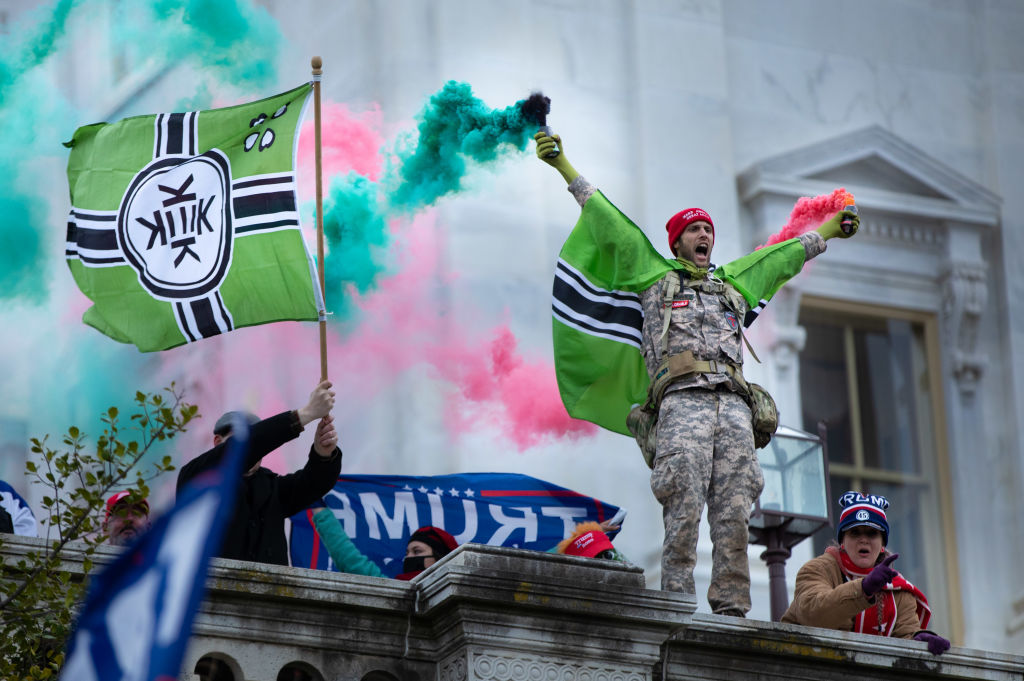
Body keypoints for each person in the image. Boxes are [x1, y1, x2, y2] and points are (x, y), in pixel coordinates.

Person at [535, 131, 859, 616]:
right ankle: (676, 605)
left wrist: (830, 231)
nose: (704, 235)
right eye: (694, 230)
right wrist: (564, 166)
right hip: (680, 400)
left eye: (708, 229)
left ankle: (731, 611)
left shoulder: (732, 284)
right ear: (677, 241)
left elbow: (782, 258)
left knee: (736, 508)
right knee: (681, 498)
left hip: (732, 404)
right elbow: (608, 221)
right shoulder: (653, 274)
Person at [176, 380, 342, 566]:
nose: (255, 449)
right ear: (217, 442)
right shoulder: (198, 475)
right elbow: (246, 448)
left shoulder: (273, 487)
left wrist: (323, 453)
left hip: (272, 592)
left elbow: (313, 483)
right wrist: (305, 414)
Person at [782, 491, 951, 655]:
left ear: (882, 544)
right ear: (842, 541)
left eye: (872, 533)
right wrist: (863, 589)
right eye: (855, 532)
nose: (863, 539)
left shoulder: (898, 589)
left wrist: (918, 640)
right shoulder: (816, 570)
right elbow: (812, 615)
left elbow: (904, 637)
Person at [311, 504, 458, 580]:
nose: (409, 558)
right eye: (407, 553)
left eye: (417, 551)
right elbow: (348, 559)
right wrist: (319, 508)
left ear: (440, 559)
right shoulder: (394, 588)